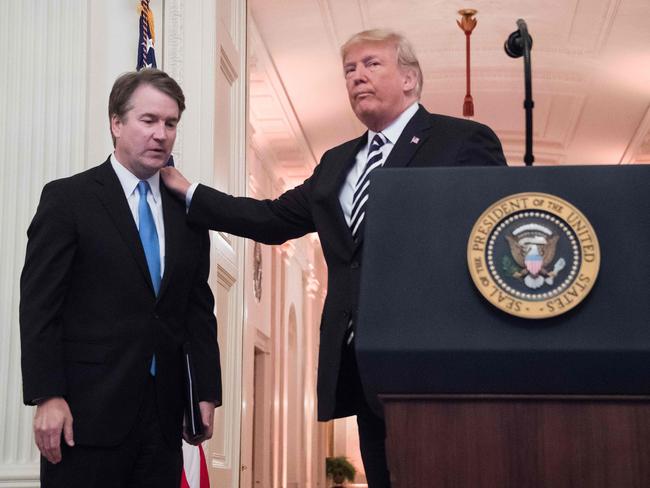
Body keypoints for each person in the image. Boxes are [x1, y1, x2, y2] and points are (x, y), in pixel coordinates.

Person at [162, 29, 506, 487]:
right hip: (360, 360)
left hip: (436, 360)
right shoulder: (337, 161)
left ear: (409, 78)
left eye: (371, 64)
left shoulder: (461, 141)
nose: (357, 77)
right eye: (349, 69)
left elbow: (492, 237)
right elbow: (271, 218)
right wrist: (190, 193)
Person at [20, 68, 222, 488]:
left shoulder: (187, 210)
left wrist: (205, 390)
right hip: (84, 418)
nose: (161, 134)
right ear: (116, 122)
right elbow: (40, 306)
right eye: (148, 120)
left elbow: (198, 309)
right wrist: (47, 395)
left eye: (170, 123)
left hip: (165, 421)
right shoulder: (68, 199)